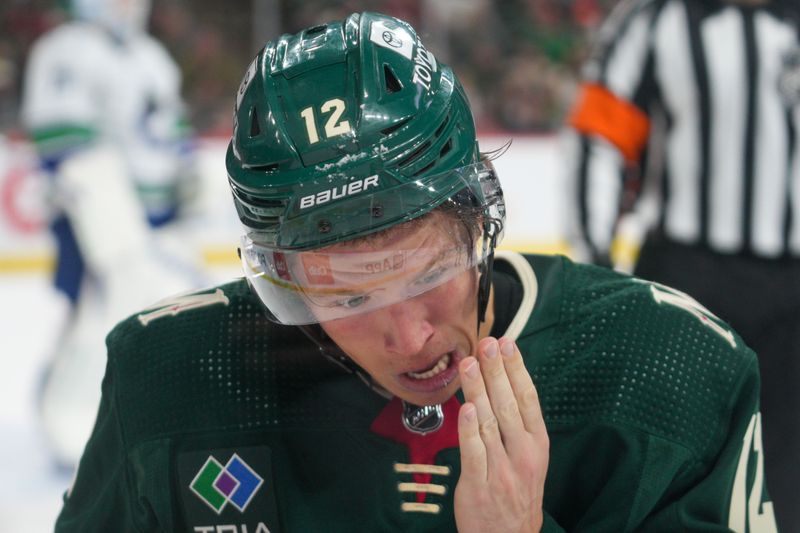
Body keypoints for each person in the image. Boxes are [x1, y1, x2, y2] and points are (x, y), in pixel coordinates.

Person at [55, 12, 776, 532]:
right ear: (283, 277)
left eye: (429, 269)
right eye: (346, 290)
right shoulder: (166, 378)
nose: (408, 335)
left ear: (478, 219)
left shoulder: (675, 370)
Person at [565, 0, 799, 530]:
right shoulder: (656, 20)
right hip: (689, 277)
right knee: (673, 450)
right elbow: (598, 136)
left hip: (794, 290)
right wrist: (597, 265)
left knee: (788, 464)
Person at [20, 0, 202, 467]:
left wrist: (186, 190)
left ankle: (143, 419)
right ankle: (70, 426)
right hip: (97, 223)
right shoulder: (64, 50)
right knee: (93, 317)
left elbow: (171, 138)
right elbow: (66, 145)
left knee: (163, 320)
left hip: (157, 223)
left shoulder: (150, 57)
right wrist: (111, 226)